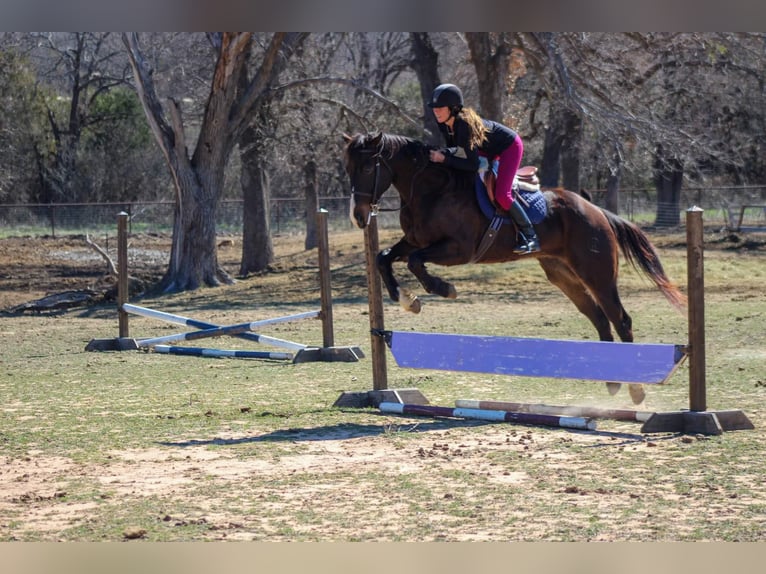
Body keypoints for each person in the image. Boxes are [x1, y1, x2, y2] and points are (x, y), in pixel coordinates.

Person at [427, 83, 539, 254]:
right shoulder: (444, 123)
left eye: (440, 107)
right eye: (434, 107)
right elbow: (456, 150)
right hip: (485, 149)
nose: (436, 111)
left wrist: (444, 158)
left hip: (509, 147)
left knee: (502, 195)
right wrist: (442, 153)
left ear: (454, 108)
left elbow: (471, 165)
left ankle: (531, 237)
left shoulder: (464, 125)